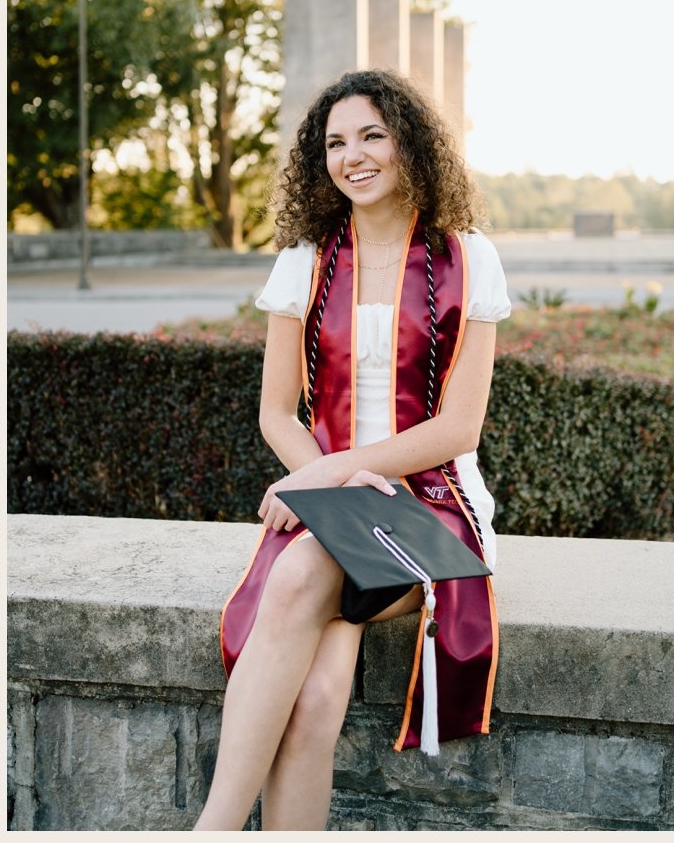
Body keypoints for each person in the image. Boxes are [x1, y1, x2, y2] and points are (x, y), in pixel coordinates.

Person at [197, 70, 508, 830]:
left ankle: (209, 831)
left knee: (301, 569)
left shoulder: (469, 259)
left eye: (373, 134)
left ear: (412, 144)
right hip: (333, 499)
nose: (353, 155)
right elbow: (276, 412)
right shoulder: (305, 260)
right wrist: (332, 485)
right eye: (336, 142)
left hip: (431, 505)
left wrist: (332, 479)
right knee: (313, 701)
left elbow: (458, 429)